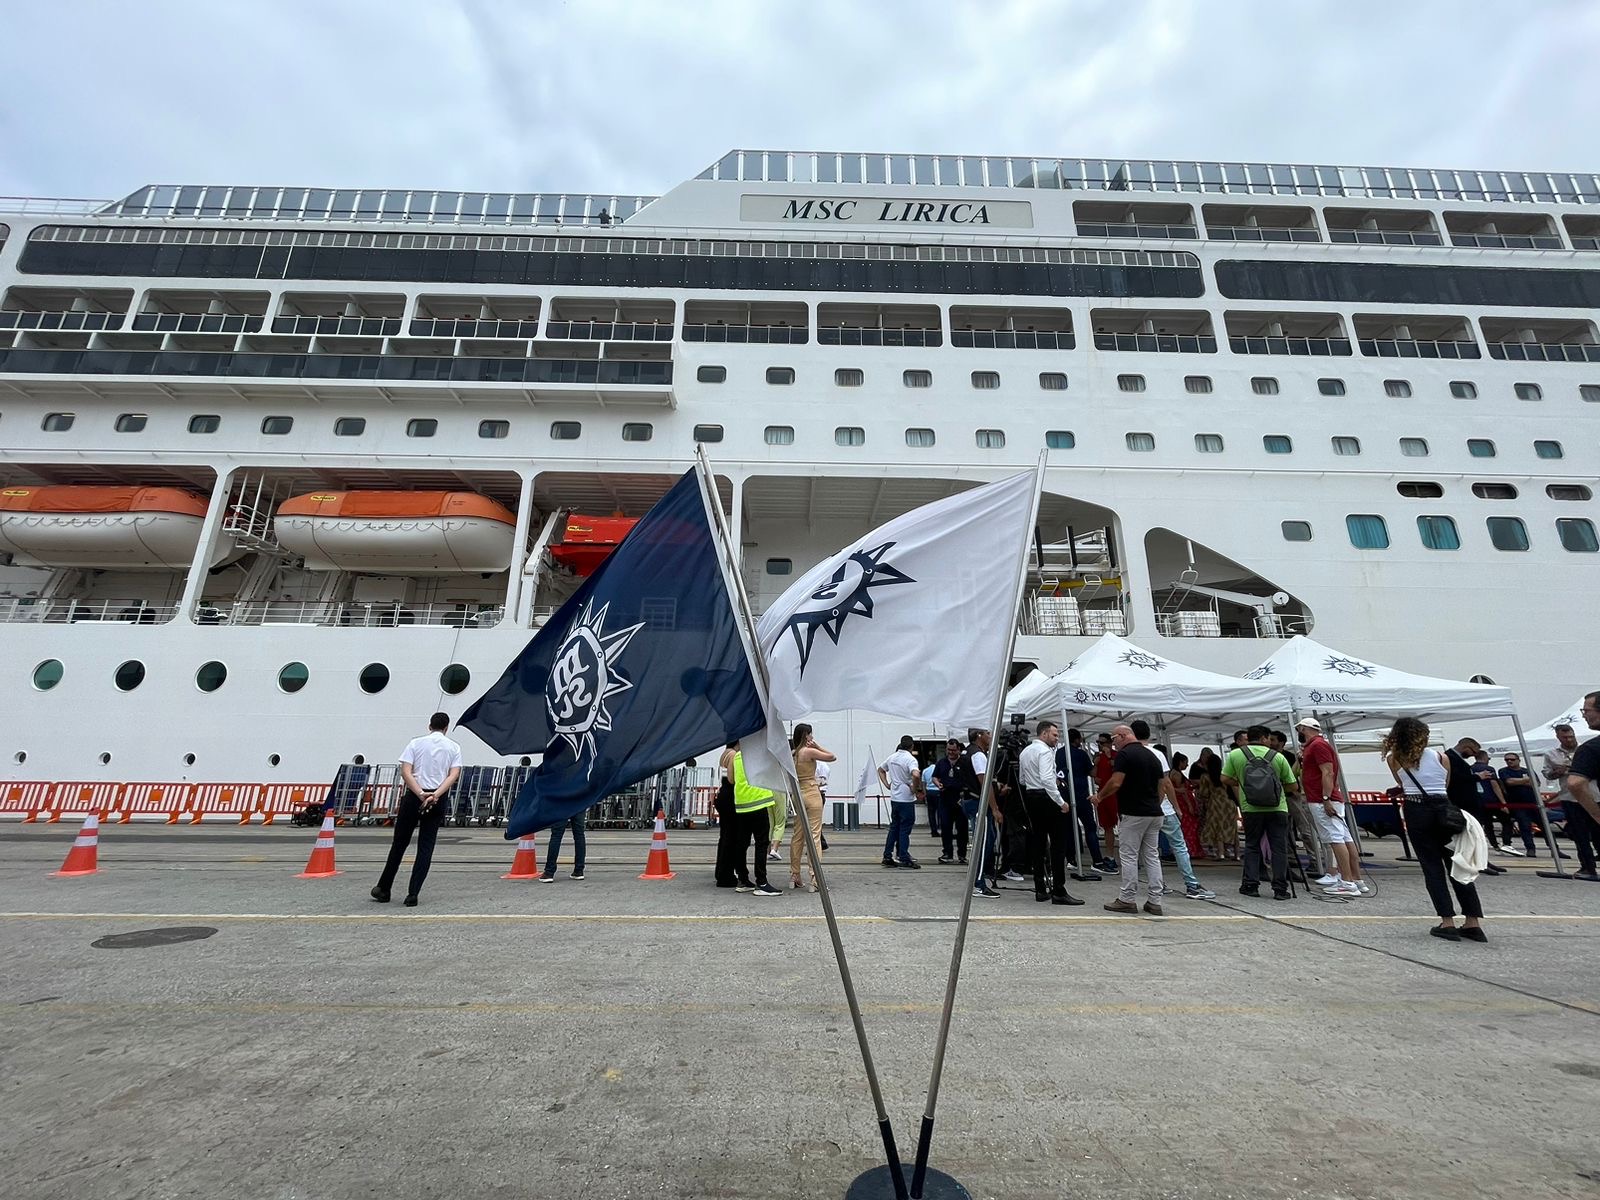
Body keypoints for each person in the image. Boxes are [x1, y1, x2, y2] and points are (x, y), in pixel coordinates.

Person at [1384, 716, 1486, 941]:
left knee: (1431, 866)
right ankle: (1472, 920)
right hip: (1444, 808)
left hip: (1416, 808)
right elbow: (1445, 785)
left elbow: (1403, 784)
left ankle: (1447, 921)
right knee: (1457, 862)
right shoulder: (1443, 757)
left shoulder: (1395, 758)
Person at [372, 711, 462, 907]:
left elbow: (405, 771)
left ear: (429, 726)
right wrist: (435, 795)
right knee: (426, 847)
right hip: (437, 798)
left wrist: (420, 793)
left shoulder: (415, 743)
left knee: (399, 844)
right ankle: (413, 893)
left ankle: (384, 888)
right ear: (446, 728)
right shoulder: (454, 747)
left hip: (414, 796)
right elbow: (453, 775)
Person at [1093, 724, 1165, 915]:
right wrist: (1155, 803)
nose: (1112, 742)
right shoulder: (1153, 755)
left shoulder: (1125, 755)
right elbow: (1162, 787)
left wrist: (1099, 797)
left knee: (1129, 855)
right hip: (1154, 812)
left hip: (1134, 812)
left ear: (1124, 736)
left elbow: (1116, 782)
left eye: (1114, 738)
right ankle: (1155, 900)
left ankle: (1127, 898)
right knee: (1151, 856)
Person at [1222, 724, 1299, 900]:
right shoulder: (1277, 757)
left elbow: (1224, 778)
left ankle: (1251, 885)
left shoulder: (1236, 755)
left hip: (1251, 808)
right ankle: (1280, 888)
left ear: (1249, 737)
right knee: (1278, 848)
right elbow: (1293, 785)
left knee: (1252, 846)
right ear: (1264, 738)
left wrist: (1243, 784)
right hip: (1277, 808)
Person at [1296, 718, 1367, 896]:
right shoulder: (1315, 745)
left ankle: (1347, 881)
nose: (1299, 732)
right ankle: (1356, 879)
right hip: (1325, 797)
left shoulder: (1318, 745)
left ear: (1305, 728)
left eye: (1300, 729)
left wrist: (1326, 798)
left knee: (1336, 838)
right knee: (1344, 837)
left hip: (1323, 799)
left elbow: (1328, 772)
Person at [1140, 730, 1214, 901]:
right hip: (1164, 809)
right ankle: (1191, 884)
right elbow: (1166, 784)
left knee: (1149, 850)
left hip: (1144, 809)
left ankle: (1158, 884)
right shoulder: (1157, 755)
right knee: (1179, 846)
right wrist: (1177, 808)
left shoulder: (1129, 755)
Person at [1019, 720, 1082, 905]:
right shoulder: (1044, 751)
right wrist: (1061, 801)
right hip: (1046, 798)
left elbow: (1022, 779)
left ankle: (1040, 889)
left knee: (1038, 843)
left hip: (1032, 796)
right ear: (1044, 733)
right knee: (1058, 845)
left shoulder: (1025, 752)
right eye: (1054, 735)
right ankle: (1059, 890)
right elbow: (1048, 780)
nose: (1057, 738)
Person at [1057, 728, 1116, 874]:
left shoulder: (1059, 753)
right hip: (1081, 794)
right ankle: (1097, 860)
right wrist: (1096, 762)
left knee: (1069, 828)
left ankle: (1071, 859)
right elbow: (1093, 774)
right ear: (1076, 740)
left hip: (1064, 795)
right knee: (1090, 828)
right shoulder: (1081, 754)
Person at [1447, 739, 1507, 877]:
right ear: (1465, 746)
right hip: (1461, 802)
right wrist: (1476, 777)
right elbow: (1455, 779)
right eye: (1473, 752)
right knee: (1470, 834)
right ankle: (1477, 863)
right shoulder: (1449, 757)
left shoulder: (1455, 758)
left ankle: (1482, 861)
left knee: (1476, 834)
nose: (1473, 755)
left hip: (1468, 802)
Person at [1272, 728, 1325, 879]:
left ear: (1281, 742)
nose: (1270, 742)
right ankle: (1290, 857)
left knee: (1305, 828)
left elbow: (1294, 775)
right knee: (1284, 829)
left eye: (1273, 740)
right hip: (1280, 797)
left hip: (1293, 796)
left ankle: (1315, 859)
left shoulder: (1288, 757)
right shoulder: (1272, 756)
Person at [731, 744, 782, 896]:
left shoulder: (737, 756)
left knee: (742, 843)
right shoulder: (760, 754)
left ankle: (743, 880)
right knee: (761, 844)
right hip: (759, 802)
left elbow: (732, 779)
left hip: (741, 804)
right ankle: (762, 882)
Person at [791, 724, 835, 892]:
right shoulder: (808, 751)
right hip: (811, 790)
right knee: (815, 835)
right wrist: (817, 746)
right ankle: (815, 877)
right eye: (810, 734)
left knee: (798, 835)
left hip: (798, 793)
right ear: (806, 736)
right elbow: (831, 757)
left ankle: (794, 874)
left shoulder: (793, 754)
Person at [1561, 692, 1600, 882]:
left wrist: (1596, 813)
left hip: (1581, 802)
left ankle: (1588, 867)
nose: (1584, 715)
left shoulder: (1591, 748)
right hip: (1575, 800)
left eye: (1586, 710)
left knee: (1582, 835)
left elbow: (1575, 783)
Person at [879, 735, 924, 870]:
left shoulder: (892, 757)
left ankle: (887, 855)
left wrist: (887, 784)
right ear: (911, 746)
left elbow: (881, 769)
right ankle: (903, 856)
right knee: (905, 828)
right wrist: (915, 788)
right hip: (906, 798)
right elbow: (916, 775)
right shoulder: (910, 759)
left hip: (895, 797)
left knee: (894, 827)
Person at [1471, 747, 1520, 855]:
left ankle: (1495, 845)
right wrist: (1503, 802)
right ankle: (1506, 843)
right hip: (1492, 800)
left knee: (1488, 824)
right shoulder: (1489, 769)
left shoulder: (1470, 768)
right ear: (1484, 757)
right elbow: (1495, 785)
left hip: (1479, 801)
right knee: (1507, 821)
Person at [1194, 759, 1237, 861]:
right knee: (1231, 828)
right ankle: (1236, 854)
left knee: (1217, 827)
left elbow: (1203, 793)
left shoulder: (1205, 777)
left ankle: (1220, 853)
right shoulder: (1226, 775)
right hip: (1229, 803)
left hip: (1215, 804)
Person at [934, 738, 968, 865]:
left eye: (953, 750)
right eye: (949, 750)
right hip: (945, 798)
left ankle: (962, 855)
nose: (951, 752)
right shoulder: (941, 763)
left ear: (958, 750)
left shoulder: (965, 762)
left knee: (962, 829)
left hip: (960, 799)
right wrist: (938, 784)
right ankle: (947, 853)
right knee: (946, 827)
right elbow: (934, 776)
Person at [713, 742, 741, 887]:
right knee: (731, 837)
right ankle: (726, 875)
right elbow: (732, 778)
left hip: (723, 795)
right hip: (730, 796)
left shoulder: (725, 753)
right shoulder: (733, 755)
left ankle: (721, 871)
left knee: (725, 837)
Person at [539, 809, 586, 881]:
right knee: (579, 835)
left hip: (561, 803)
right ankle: (579, 870)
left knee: (556, 835)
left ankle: (549, 872)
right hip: (579, 802)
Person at [1092, 732, 1118, 859]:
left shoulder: (1116, 756)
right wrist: (1095, 764)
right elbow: (1094, 776)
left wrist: (1108, 757)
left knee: (1123, 825)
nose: (1099, 745)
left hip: (1116, 794)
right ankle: (1110, 855)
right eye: (1098, 743)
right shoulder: (1098, 757)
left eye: (1102, 743)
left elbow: (1117, 773)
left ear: (1109, 743)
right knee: (1107, 826)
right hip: (1103, 794)